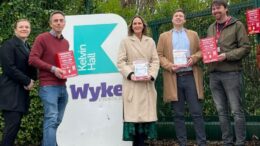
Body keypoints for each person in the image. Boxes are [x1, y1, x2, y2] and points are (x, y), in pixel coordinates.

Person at [157, 9, 206, 146]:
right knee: (178, 114)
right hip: (174, 78)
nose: (178, 18)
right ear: (172, 20)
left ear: (184, 20)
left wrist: (194, 58)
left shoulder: (193, 34)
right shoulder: (163, 36)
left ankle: (202, 142)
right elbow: (159, 55)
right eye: (176, 16)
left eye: (181, 16)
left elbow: (201, 50)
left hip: (191, 76)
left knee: (196, 112)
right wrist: (169, 65)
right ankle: (182, 143)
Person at [207, 0, 251, 145]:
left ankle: (240, 142)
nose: (215, 11)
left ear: (226, 9)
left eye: (218, 8)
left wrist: (227, 55)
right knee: (221, 111)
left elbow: (245, 47)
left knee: (236, 111)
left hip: (231, 73)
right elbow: (208, 48)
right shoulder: (211, 28)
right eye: (213, 9)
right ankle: (227, 142)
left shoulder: (237, 25)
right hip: (214, 74)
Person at [117, 16, 160, 146]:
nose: (137, 25)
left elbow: (155, 60)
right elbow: (120, 61)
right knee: (134, 118)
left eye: (139, 23)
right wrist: (131, 74)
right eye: (134, 23)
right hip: (133, 84)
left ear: (143, 25)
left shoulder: (150, 41)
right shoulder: (125, 41)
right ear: (131, 26)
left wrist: (151, 75)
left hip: (146, 83)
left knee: (145, 118)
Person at [29, 10, 69, 146]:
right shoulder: (42, 38)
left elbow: (63, 63)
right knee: (51, 119)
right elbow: (32, 59)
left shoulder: (65, 42)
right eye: (55, 20)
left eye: (61, 20)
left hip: (62, 86)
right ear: (50, 23)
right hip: (48, 86)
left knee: (56, 120)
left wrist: (69, 70)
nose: (58, 23)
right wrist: (53, 69)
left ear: (64, 23)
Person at [0, 19, 36, 146]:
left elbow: (31, 66)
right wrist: (27, 81)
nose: (24, 29)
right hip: (11, 93)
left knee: (14, 128)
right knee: (11, 128)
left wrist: (33, 79)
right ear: (15, 29)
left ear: (30, 30)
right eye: (21, 27)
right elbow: (9, 68)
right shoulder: (8, 45)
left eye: (27, 27)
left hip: (20, 92)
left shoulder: (27, 46)